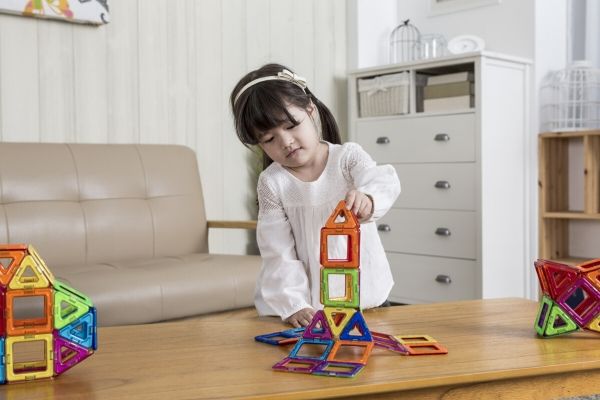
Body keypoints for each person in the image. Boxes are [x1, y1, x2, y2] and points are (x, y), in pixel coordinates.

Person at [230, 63, 400, 327]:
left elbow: (382, 180)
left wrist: (368, 197)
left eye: (291, 125)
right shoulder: (272, 182)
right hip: (308, 309)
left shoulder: (347, 158)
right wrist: (295, 304)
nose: (285, 142)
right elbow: (278, 252)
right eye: (269, 139)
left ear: (310, 111)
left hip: (366, 298)